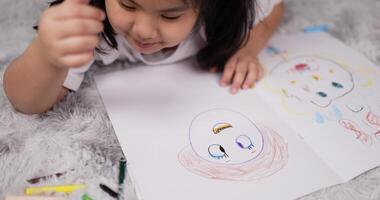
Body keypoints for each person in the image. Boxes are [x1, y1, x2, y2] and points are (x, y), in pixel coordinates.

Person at [3, 0, 284, 114]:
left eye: (170, 15)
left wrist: (248, 48)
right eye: (127, 4)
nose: (144, 31)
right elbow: (26, 103)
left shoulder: (229, 11)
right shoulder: (93, 23)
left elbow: (274, 7)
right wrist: (47, 55)